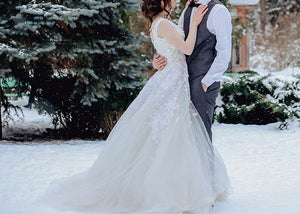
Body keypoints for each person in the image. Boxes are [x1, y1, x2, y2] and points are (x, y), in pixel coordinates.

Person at [35, 0, 231, 213]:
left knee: (179, 132)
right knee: (170, 132)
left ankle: (194, 184)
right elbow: (186, 47)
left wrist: (159, 60)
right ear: (162, 2)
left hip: (179, 79)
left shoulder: (167, 21)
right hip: (175, 80)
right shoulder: (167, 21)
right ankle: (174, 189)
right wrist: (193, 25)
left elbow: (180, 48)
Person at [153, 0, 232, 142]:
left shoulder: (218, 11)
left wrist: (206, 82)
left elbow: (224, 53)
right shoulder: (187, 10)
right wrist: (158, 60)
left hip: (203, 81)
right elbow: (176, 45)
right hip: (182, 83)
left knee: (201, 135)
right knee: (186, 137)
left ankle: (206, 165)